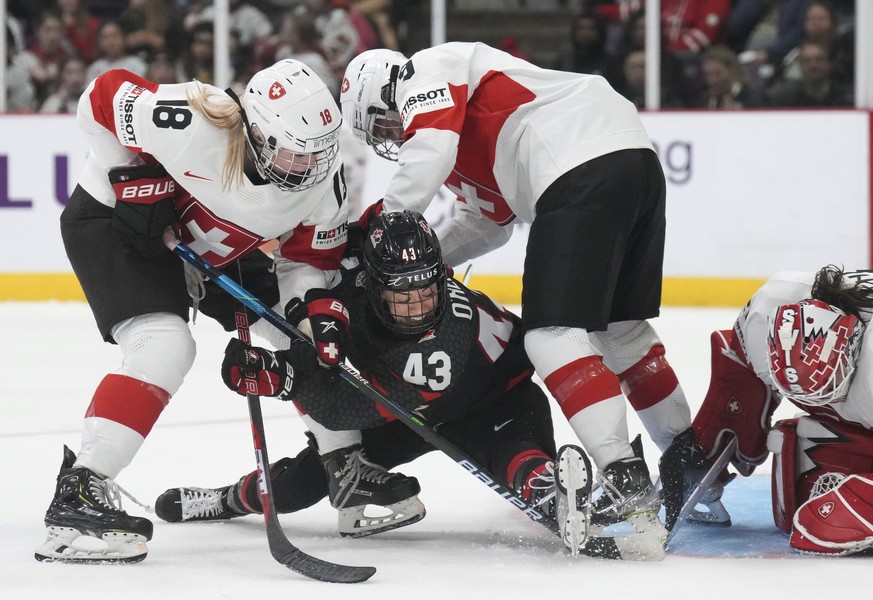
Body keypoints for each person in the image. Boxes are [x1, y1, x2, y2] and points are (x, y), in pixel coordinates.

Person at [338, 43, 703, 539]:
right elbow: (488, 224)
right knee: (622, 332)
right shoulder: (461, 132)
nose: (391, 138)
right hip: (630, 158)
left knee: (550, 335)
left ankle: (624, 477)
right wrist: (419, 265)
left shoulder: (424, 69)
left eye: (384, 124)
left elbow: (429, 151)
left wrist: (382, 230)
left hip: (574, 164)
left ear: (389, 90)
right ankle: (688, 456)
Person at [38, 58, 351, 564]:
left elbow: (304, 262)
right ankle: (79, 492)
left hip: (213, 245)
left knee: (299, 337)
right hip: (117, 224)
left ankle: (344, 462)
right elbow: (98, 97)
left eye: (320, 152)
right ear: (259, 135)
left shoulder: (321, 179)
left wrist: (306, 319)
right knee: (164, 345)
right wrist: (130, 176)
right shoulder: (191, 120)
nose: (311, 168)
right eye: (296, 153)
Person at [154, 210, 596, 554]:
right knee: (310, 482)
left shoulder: (441, 343)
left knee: (513, 453)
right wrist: (220, 273)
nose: (418, 308)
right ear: (373, 280)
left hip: (497, 396)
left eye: (425, 292)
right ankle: (226, 499)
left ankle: (551, 491)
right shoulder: (357, 274)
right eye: (402, 296)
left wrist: (283, 378)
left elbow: (364, 406)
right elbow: (297, 281)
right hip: (415, 409)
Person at [691, 265, 873, 555]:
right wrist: (719, 423)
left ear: (852, 350)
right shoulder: (767, 310)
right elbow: (739, 361)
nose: (811, 402)